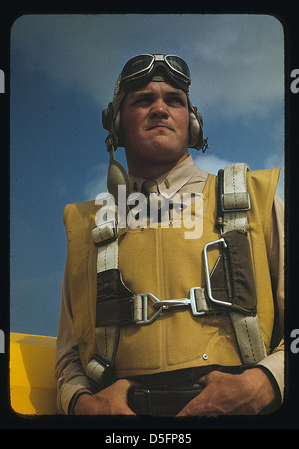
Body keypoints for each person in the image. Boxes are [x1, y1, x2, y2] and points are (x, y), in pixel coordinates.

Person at [55, 54, 284, 417]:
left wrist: (265, 384)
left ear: (191, 122)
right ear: (115, 124)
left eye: (174, 100)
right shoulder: (87, 224)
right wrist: (84, 404)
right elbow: (69, 355)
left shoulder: (256, 199)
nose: (160, 109)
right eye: (143, 100)